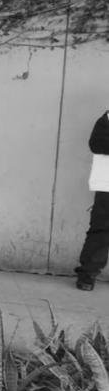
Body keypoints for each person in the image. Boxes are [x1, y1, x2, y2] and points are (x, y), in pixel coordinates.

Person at [75, 109, 109, 291]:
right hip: (107, 186)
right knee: (101, 230)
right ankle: (88, 274)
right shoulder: (106, 120)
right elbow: (96, 144)